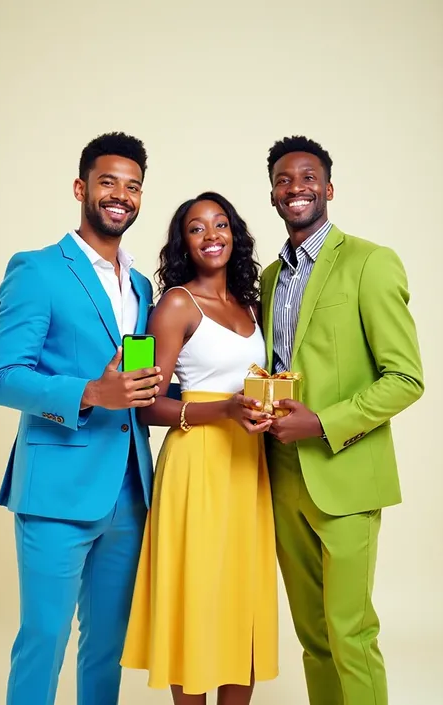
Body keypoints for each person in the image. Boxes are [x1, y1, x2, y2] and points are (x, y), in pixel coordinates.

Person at [0, 132, 163, 705]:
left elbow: (132, 379)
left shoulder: (140, 284)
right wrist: (88, 392)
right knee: (44, 638)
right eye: (108, 182)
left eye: (132, 186)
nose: (121, 196)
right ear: (81, 188)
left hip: (129, 491)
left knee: (107, 645)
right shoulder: (37, 270)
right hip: (56, 490)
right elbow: (4, 376)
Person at [260, 135, 424, 705]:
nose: (296, 187)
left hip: (346, 471)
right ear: (274, 195)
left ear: (328, 189)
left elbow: (406, 378)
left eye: (307, 178)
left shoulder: (370, 262)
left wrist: (323, 424)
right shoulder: (267, 279)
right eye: (284, 179)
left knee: (350, 632)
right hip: (280, 477)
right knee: (313, 637)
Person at [121, 192, 279, 705]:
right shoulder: (173, 304)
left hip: (247, 465)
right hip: (196, 465)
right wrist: (223, 411)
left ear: (235, 234)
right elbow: (146, 406)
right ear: (183, 244)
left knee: (241, 598)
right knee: (196, 597)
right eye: (196, 228)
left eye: (220, 224)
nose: (211, 235)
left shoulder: (253, 305)